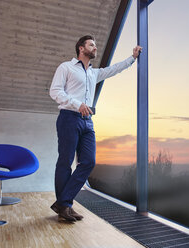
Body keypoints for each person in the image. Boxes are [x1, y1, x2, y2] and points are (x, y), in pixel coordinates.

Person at [49, 35, 142, 221]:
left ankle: (63, 203)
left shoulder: (93, 73)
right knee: (65, 162)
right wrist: (76, 104)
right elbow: (55, 91)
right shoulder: (65, 67)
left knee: (89, 161)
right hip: (69, 118)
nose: (95, 47)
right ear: (81, 48)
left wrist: (132, 58)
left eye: (96, 45)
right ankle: (65, 206)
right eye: (91, 44)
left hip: (87, 122)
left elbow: (113, 69)